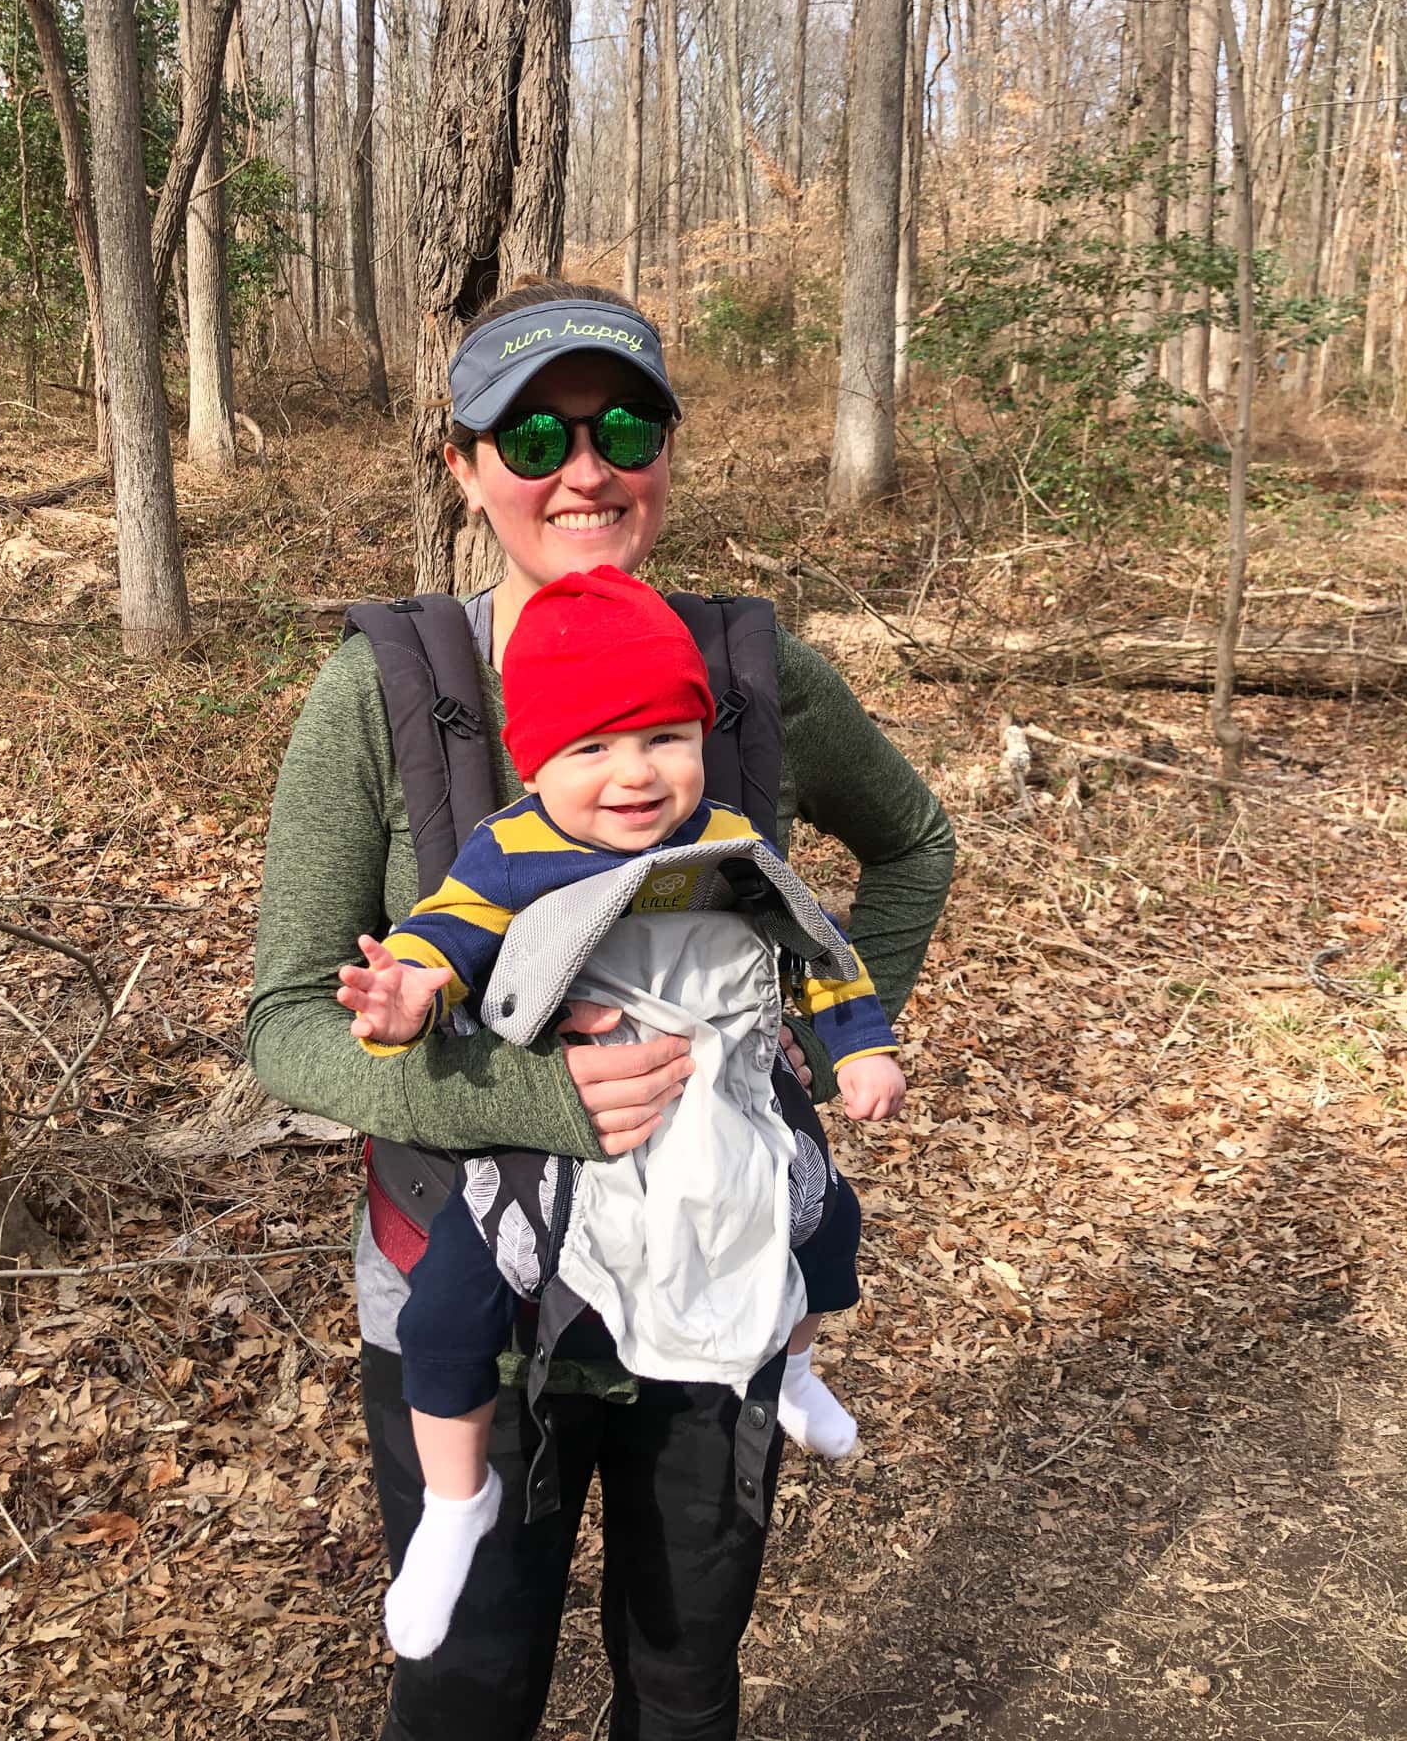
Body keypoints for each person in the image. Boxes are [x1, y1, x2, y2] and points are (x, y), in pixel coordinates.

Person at [246, 279, 955, 1741]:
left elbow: (913, 844)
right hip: (469, 1269)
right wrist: (534, 1098)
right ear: (464, 466)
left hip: (711, 1256)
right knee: (465, 1688)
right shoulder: (386, 693)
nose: (586, 469)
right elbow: (286, 1021)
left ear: (667, 453)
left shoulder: (749, 678)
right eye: (533, 436)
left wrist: (824, 1027)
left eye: (625, 427)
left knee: (685, 1676)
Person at [340, 565, 907, 1660]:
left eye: (664, 738)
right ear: (535, 762)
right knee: (450, 1307)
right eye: (592, 747)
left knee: (827, 1225)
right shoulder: (513, 850)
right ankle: (456, 1500)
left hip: (721, 1110)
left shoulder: (727, 837)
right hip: (553, 1143)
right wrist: (406, 994)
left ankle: (792, 1364)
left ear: (701, 736)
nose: (636, 773)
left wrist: (860, 1045)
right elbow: (445, 933)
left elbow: (819, 946)